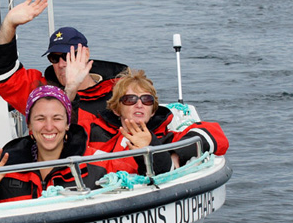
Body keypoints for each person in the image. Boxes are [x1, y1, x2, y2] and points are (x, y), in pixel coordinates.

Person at [0, 0, 128, 127]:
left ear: (86, 54)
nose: (61, 64)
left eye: (68, 56)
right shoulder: (41, 94)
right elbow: (4, 75)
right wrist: (9, 24)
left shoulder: (120, 91)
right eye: (54, 58)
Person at [0, 85, 107, 209]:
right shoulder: (4, 169)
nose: (49, 127)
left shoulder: (92, 164)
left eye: (57, 118)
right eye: (40, 119)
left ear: (68, 124)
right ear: (29, 124)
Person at [85, 69, 229, 176]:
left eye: (146, 100)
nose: (139, 104)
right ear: (116, 109)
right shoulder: (94, 131)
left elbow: (217, 135)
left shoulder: (165, 138)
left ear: (153, 111)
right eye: (130, 99)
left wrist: (174, 152)